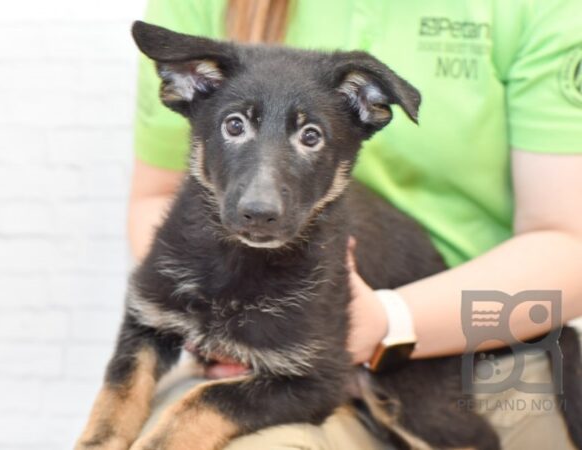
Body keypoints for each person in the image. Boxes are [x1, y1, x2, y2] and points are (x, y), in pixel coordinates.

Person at [128, 0, 582, 448]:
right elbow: (156, 199)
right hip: (261, 336)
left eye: (310, 136)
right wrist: (219, 319)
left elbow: (569, 243)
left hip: (480, 338)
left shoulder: (536, 9)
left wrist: (386, 322)